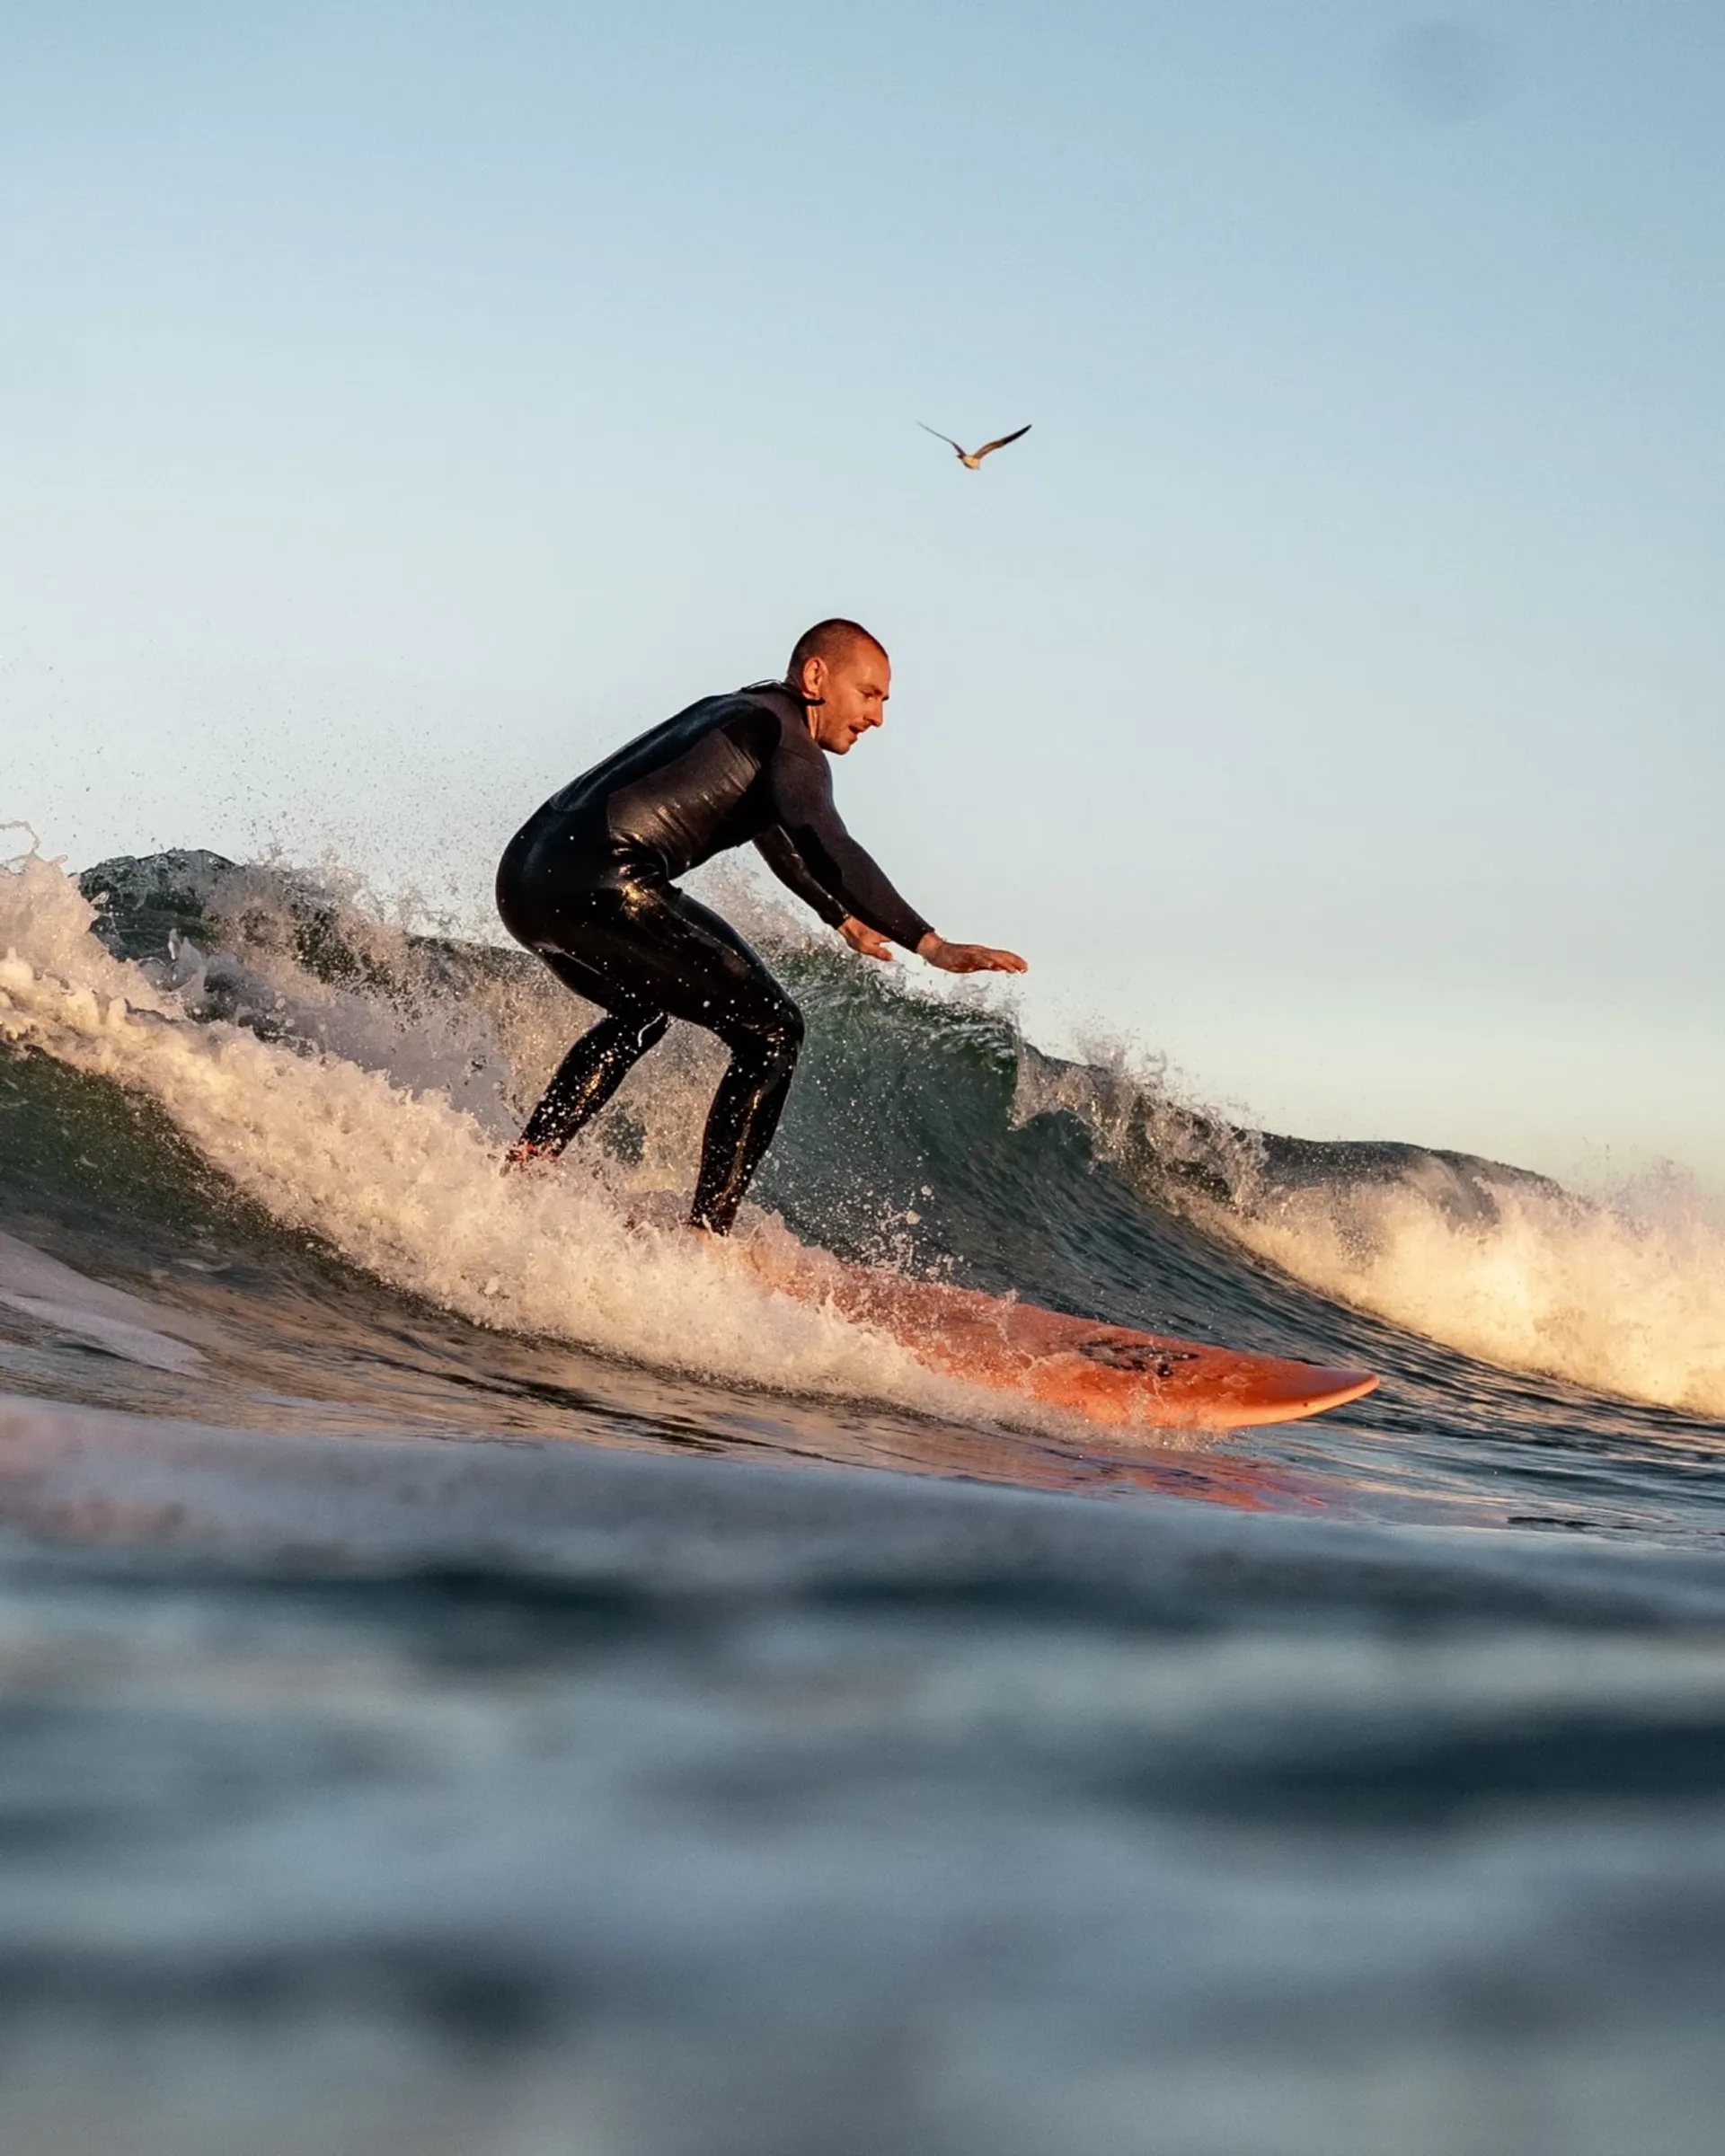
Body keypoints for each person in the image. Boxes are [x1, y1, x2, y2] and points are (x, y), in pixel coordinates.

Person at [494, 618, 1026, 1233]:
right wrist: (929, 943)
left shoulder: (741, 713)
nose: (877, 717)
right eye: (870, 694)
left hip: (527, 879)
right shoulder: (790, 737)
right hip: (606, 878)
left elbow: (770, 827)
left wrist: (839, 917)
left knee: (641, 1010)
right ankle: (707, 1235)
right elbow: (828, 843)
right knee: (774, 1032)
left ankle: (527, 1163)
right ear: (817, 675)